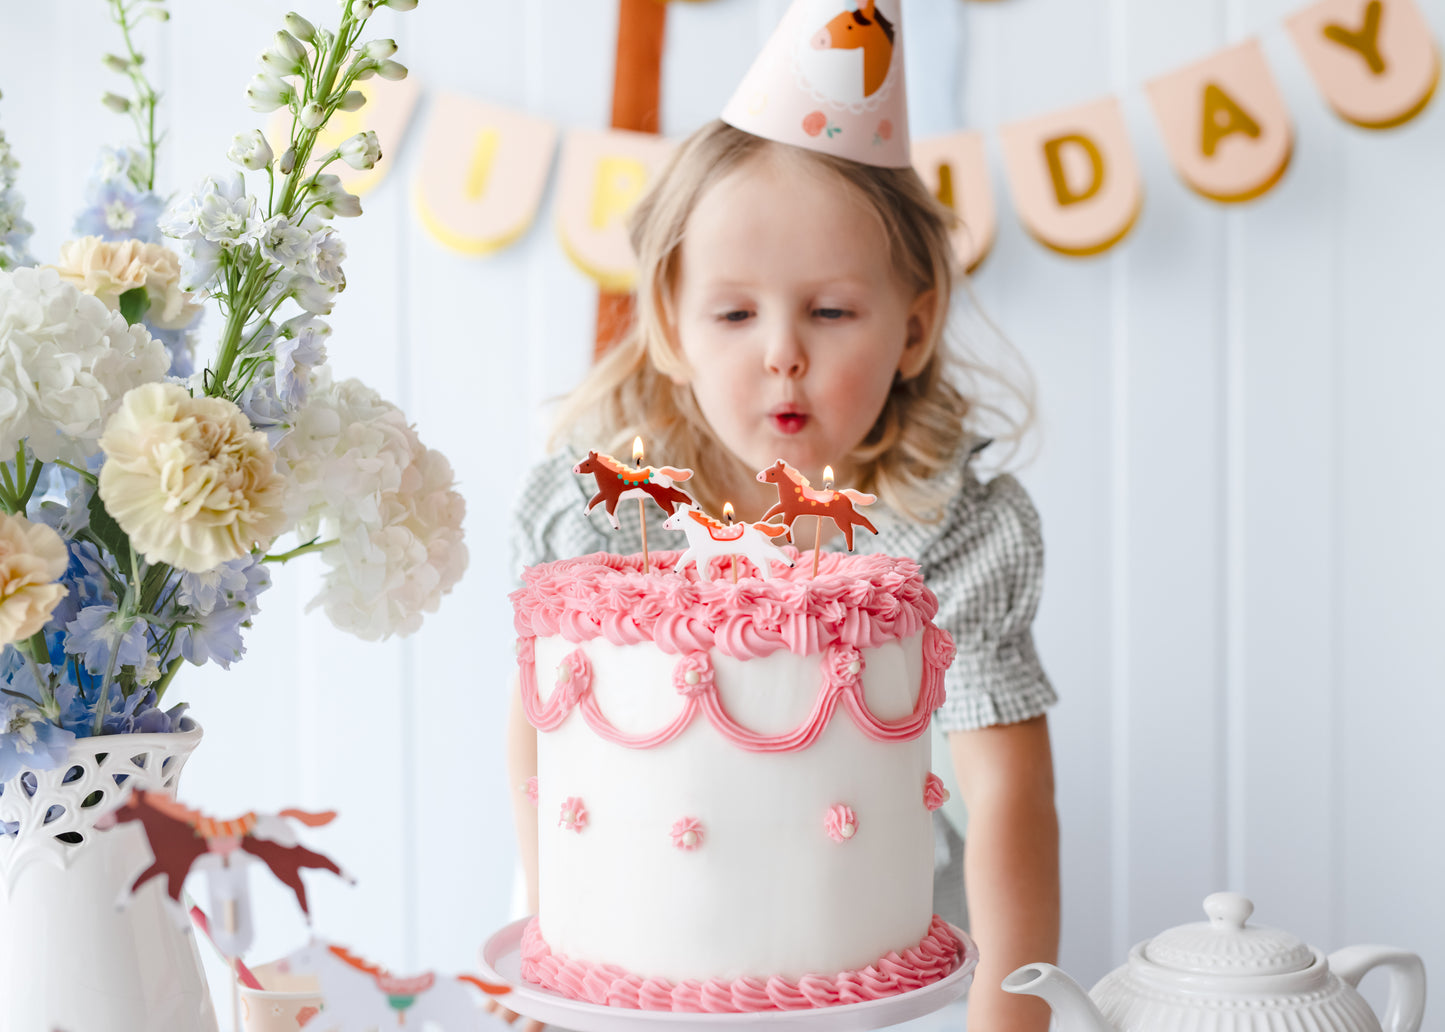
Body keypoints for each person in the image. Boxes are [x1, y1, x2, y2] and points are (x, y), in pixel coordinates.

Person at [505, 5, 1059, 1030]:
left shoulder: (947, 528)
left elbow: (1006, 795)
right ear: (668, 325)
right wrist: (560, 965)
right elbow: (539, 745)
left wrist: (1006, 1017)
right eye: (733, 312)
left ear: (913, 325)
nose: (781, 353)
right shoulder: (604, 513)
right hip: (624, 948)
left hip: (873, 967)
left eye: (831, 310)